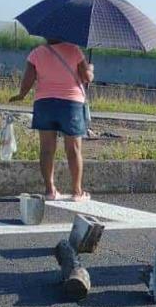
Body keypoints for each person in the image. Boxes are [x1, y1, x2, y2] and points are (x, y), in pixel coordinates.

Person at [8, 37, 94, 202]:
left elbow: (28, 80)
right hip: (71, 104)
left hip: (44, 103)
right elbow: (86, 78)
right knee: (73, 149)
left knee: (47, 149)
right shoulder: (74, 50)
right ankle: (77, 192)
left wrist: (21, 95)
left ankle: (50, 190)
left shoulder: (36, 53)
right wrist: (90, 69)